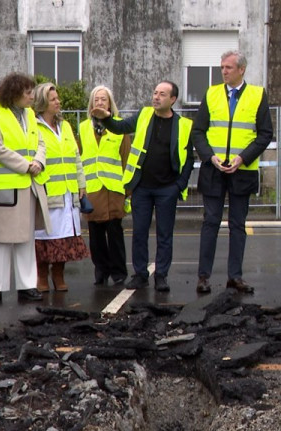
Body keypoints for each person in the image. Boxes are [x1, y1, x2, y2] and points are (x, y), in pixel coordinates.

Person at [91, 81, 195, 293]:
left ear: (173, 100)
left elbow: (189, 159)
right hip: (142, 187)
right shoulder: (144, 115)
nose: (156, 97)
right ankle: (140, 275)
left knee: (165, 235)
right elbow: (120, 128)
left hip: (168, 188)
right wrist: (106, 118)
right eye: (155, 93)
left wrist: (179, 185)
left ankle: (161, 276)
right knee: (139, 233)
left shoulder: (184, 125)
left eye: (162, 94)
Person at [192, 50, 273, 295]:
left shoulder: (257, 95)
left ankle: (234, 277)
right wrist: (210, 157)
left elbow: (265, 134)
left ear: (241, 70)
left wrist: (242, 158)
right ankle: (203, 277)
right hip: (214, 169)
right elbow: (198, 131)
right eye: (222, 67)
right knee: (211, 222)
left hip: (243, 170)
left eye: (228, 67)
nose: (224, 71)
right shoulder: (212, 93)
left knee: (238, 224)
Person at [0, 72, 52, 304]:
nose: (32, 96)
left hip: (27, 186)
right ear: (15, 93)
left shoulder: (30, 115)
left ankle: (26, 286)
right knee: (2, 240)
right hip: (5, 187)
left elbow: (41, 143)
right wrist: (26, 166)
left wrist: (39, 162)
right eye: (28, 92)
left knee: (25, 238)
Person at [33, 82, 90, 292]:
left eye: (58, 98)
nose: (58, 102)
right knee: (44, 236)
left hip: (68, 191)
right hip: (47, 191)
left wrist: (81, 184)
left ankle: (58, 275)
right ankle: (41, 277)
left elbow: (76, 157)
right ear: (42, 103)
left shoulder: (65, 126)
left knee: (65, 236)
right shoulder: (34, 127)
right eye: (53, 99)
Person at [78, 86, 131, 286]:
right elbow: (79, 157)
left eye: (104, 99)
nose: (100, 103)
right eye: (96, 100)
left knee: (115, 232)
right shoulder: (83, 128)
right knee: (96, 234)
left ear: (110, 104)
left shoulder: (119, 126)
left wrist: (128, 189)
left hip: (114, 187)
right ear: (91, 104)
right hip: (92, 188)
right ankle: (101, 271)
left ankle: (118, 272)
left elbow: (126, 157)